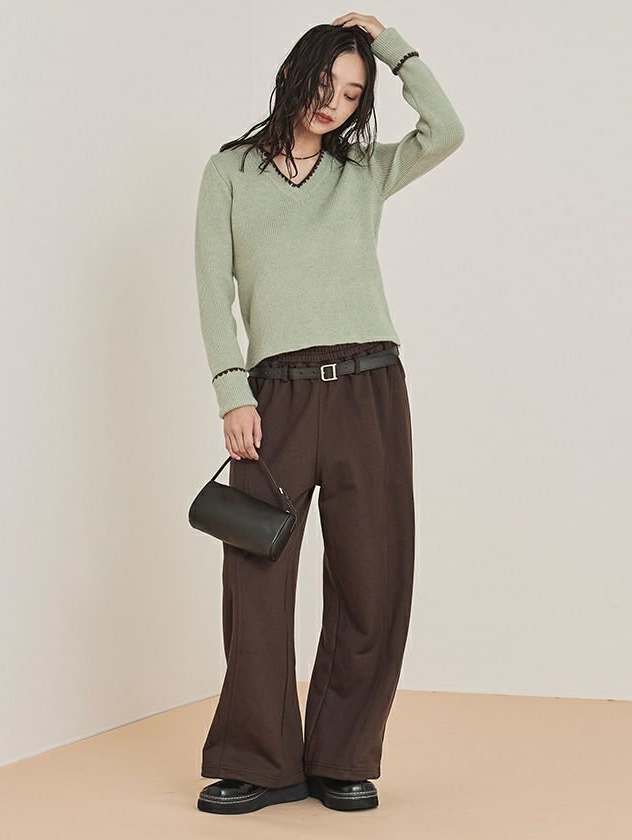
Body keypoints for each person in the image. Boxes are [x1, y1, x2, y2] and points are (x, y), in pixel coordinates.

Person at [194, 11, 464, 815]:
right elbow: (211, 288)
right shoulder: (230, 171)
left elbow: (446, 129)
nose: (335, 103)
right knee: (255, 579)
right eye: (326, 83)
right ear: (293, 73)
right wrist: (232, 391)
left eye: (352, 94)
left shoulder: (364, 172)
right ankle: (260, 761)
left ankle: (343, 755)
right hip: (274, 397)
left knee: (370, 577)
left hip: (370, 390)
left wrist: (390, 46)